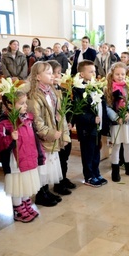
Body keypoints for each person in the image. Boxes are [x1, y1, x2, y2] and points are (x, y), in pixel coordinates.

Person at [27, 61, 70, 206]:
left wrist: (63, 135)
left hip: (54, 135)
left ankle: (46, 190)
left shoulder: (52, 91)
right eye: (48, 73)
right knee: (43, 167)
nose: (52, 76)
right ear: (38, 76)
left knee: (50, 165)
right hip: (43, 138)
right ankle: (40, 194)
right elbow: (36, 120)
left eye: (52, 72)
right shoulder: (34, 95)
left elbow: (60, 114)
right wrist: (50, 133)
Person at [0, 90, 43, 223]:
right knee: (17, 184)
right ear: (10, 105)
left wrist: (38, 154)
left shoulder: (28, 118)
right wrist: (11, 138)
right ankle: (18, 207)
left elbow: (33, 138)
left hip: (28, 155)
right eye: (21, 104)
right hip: (15, 160)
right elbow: (0, 143)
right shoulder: (4, 123)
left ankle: (25, 202)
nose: (25, 106)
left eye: (25, 103)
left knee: (26, 181)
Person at [72, 60, 109, 187]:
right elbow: (78, 110)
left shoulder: (96, 86)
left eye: (95, 71)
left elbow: (101, 104)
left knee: (96, 152)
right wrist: (91, 119)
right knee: (88, 153)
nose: (94, 73)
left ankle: (96, 172)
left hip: (97, 127)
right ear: (82, 74)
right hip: (86, 128)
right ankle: (88, 176)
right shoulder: (78, 89)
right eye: (91, 71)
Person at [105, 62, 129, 182]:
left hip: (128, 120)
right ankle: (115, 170)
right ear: (112, 74)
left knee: (128, 145)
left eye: (122, 74)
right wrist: (116, 117)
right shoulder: (108, 88)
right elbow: (107, 107)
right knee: (116, 146)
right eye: (117, 74)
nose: (120, 76)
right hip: (117, 122)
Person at [47, 60, 77, 193]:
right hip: (54, 130)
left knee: (65, 155)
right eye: (56, 73)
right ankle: (57, 183)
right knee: (57, 157)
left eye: (59, 73)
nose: (59, 75)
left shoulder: (63, 90)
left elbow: (69, 107)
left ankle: (63, 178)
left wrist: (70, 121)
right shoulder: (48, 91)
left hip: (65, 127)